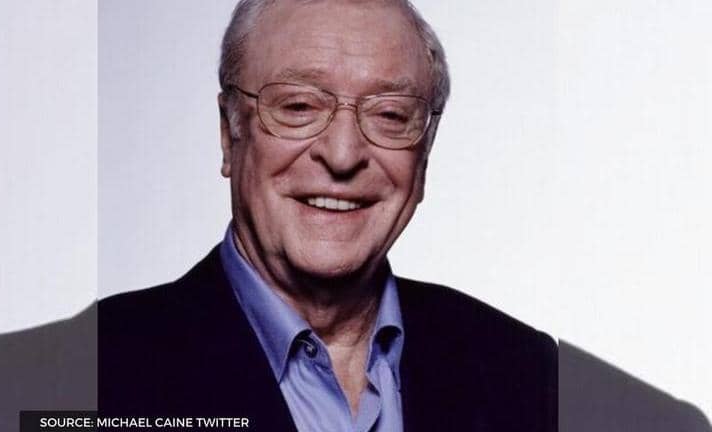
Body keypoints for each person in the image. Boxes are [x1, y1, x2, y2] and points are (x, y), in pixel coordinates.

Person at [99, 0, 558, 431]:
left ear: (425, 154)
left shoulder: (529, 375)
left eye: (390, 115)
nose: (343, 155)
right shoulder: (90, 372)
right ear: (228, 132)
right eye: (299, 106)